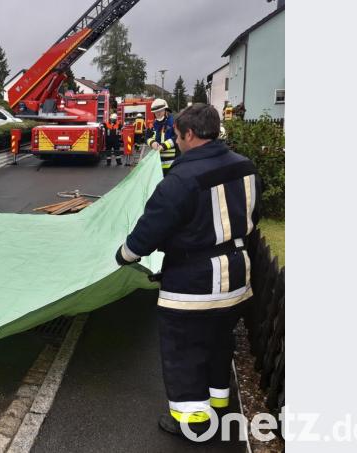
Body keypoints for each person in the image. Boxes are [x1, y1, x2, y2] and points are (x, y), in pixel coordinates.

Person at [115, 104, 262, 439]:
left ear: (190, 135)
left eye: (178, 136)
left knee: (184, 350)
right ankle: (218, 403)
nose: (176, 142)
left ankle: (194, 424)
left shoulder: (181, 180)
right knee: (218, 342)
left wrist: (125, 256)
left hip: (193, 285)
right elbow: (255, 216)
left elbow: (149, 231)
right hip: (238, 279)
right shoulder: (247, 168)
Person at [146, 98, 178, 175]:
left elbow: (177, 137)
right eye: (156, 112)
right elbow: (147, 137)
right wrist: (152, 142)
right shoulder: (153, 124)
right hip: (158, 162)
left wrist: (164, 145)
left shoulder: (173, 122)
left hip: (172, 162)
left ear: (165, 110)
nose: (158, 114)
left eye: (160, 111)